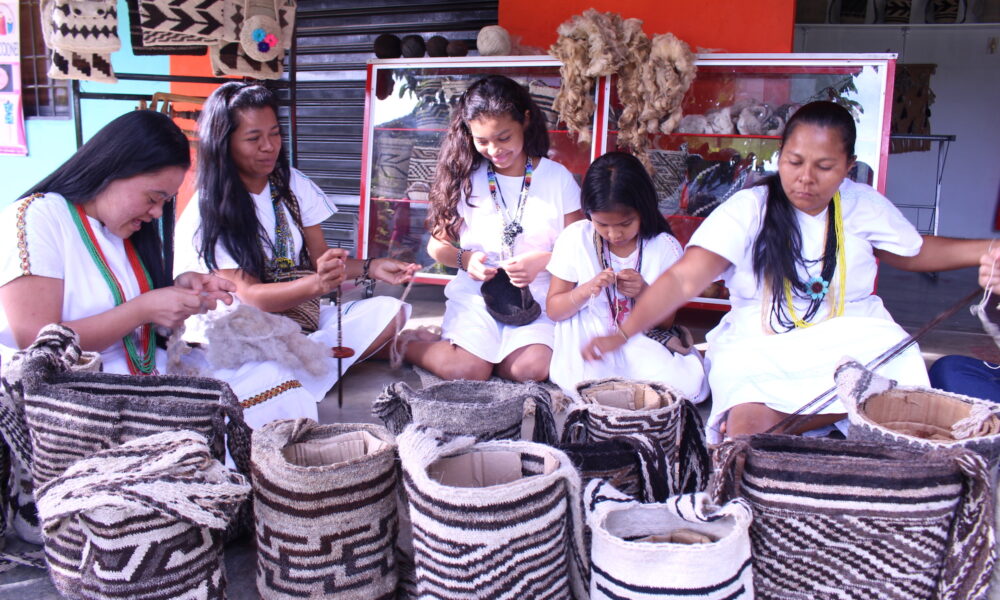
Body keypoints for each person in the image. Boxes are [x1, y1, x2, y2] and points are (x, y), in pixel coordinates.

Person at [582, 101, 993, 442]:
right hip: (759, 339)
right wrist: (624, 331)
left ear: (848, 165)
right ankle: (840, 421)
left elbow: (914, 252)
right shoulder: (748, 209)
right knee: (744, 429)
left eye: (825, 166)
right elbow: (684, 278)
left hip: (853, 332)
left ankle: (819, 425)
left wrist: (988, 250)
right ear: (780, 156)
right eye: (795, 161)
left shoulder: (861, 204)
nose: (806, 178)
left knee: (897, 365)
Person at [174, 82, 420, 421]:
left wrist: (372, 267)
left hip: (296, 320)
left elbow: (320, 263)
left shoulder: (291, 185)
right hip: (238, 334)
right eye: (253, 138)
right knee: (269, 366)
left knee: (392, 311)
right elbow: (252, 297)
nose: (269, 147)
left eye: (274, 134)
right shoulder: (210, 208)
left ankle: (295, 375)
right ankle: (288, 377)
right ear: (224, 143)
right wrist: (317, 286)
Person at [0, 111, 233, 374]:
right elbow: (36, 343)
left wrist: (180, 294)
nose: (157, 213)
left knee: (273, 373)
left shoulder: (123, 230)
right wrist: (142, 310)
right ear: (113, 169)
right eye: (152, 198)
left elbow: (136, 323)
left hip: (148, 377)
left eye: (165, 202)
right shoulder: (38, 217)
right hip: (80, 399)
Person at [398, 75, 584, 381]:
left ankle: (477, 355)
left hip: (536, 295)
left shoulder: (557, 178)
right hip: (477, 294)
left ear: (524, 120)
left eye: (503, 137)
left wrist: (543, 261)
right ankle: (405, 346)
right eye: (482, 141)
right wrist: (466, 260)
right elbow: (436, 246)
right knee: (467, 370)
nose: (494, 150)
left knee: (532, 369)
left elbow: (581, 247)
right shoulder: (467, 177)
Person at [546, 152, 708, 400]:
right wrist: (586, 289)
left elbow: (665, 324)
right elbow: (555, 310)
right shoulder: (575, 238)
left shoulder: (663, 246)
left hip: (641, 337)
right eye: (602, 224)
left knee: (681, 386)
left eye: (625, 223)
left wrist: (644, 292)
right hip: (589, 337)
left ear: (643, 209)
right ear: (589, 214)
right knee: (587, 383)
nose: (614, 234)